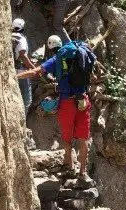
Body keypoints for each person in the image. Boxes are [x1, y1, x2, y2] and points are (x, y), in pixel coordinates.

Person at [17, 35, 95, 180]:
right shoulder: (79, 52)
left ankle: (69, 165)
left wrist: (17, 76)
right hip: (83, 100)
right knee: (83, 138)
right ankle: (83, 172)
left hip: (67, 102)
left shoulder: (57, 58)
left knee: (67, 136)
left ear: (50, 47)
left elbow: (35, 72)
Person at [11, 18, 36, 117]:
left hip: (11, 70)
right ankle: (23, 122)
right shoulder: (21, 39)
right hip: (21, 71)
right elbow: (23, 55)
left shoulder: (9, 36)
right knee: (26, 100)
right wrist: (34, 69)